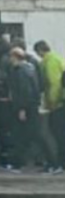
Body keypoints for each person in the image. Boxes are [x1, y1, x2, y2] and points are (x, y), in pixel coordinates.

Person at [6, 47, 51, 173]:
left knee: (23, 135)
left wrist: (22, 108)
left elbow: (24, 91)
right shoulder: (31, 68)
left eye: (11, 57)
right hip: (32, 106)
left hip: (26, 107)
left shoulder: (20, 71)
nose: (10, 60)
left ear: (15, 57)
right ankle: (49, 161)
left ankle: (19, 164)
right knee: (33, 134)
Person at [32, 41, 65, 174]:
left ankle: (57, 163)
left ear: (40, 50)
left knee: (55, 133)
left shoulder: (50, 61)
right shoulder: (58, 58)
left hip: (58, 104)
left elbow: (54, 83)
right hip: (60, 102)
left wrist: (52, 102)